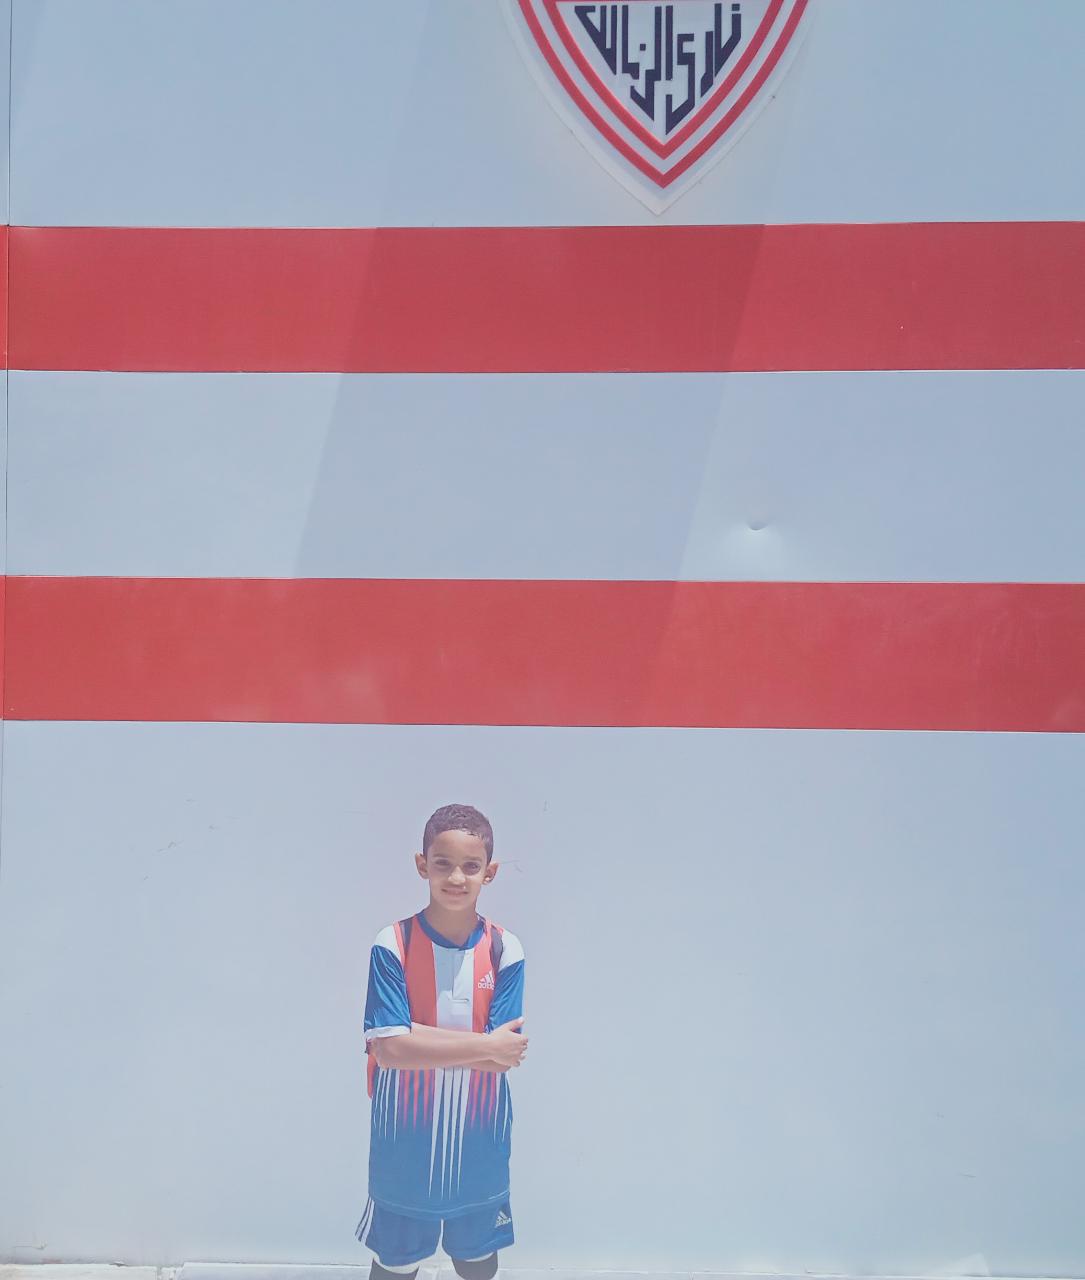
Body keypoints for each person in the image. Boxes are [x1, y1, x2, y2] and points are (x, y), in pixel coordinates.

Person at [356, 803, 527, 1280]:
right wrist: (483, 1045)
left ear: (489, 872)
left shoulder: (504, 948)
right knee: (396, 1266)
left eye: (470, 866)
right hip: (403, 1148)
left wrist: (411, 1035)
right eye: (443, 863)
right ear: (422, 865)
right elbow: (390, 1050)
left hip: (480, 1145)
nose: (456, 877)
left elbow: (504, 1058)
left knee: (477, 1264)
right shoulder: (393, 943)